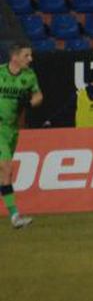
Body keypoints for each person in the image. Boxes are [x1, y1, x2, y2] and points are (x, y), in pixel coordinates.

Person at [0, 41, 42, 229]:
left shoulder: (29, 76)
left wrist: (30, 102)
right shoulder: (0, 73)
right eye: (26, 55)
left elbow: (39, 96)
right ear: (14, 57)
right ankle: (16, 216)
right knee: (6, 168)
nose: (30, 59)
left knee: (6, 174)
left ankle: (14, 216)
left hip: (12, 130)